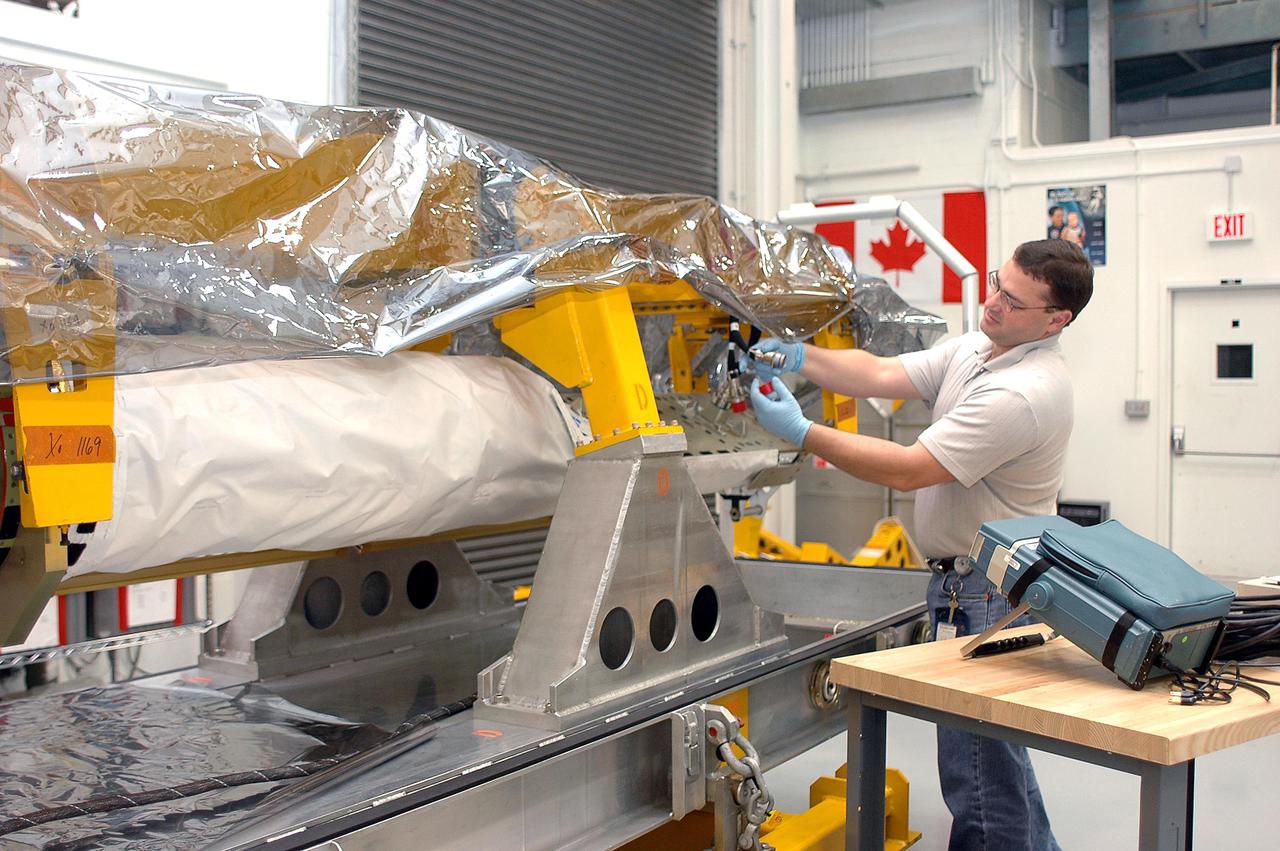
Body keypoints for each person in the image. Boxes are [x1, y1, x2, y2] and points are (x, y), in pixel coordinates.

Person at [747, 239, 1093, 851]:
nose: (993, 302)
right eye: (997, 283)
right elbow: (880, 374)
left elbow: (909, 469)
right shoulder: (979, 349)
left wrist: (803, 432)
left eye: (1014, 301)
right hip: (970, 586)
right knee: (997, 761)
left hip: (987, 594)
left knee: (978, 777)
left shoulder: (1023, 393)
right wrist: (801, 356)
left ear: (1055, 320)